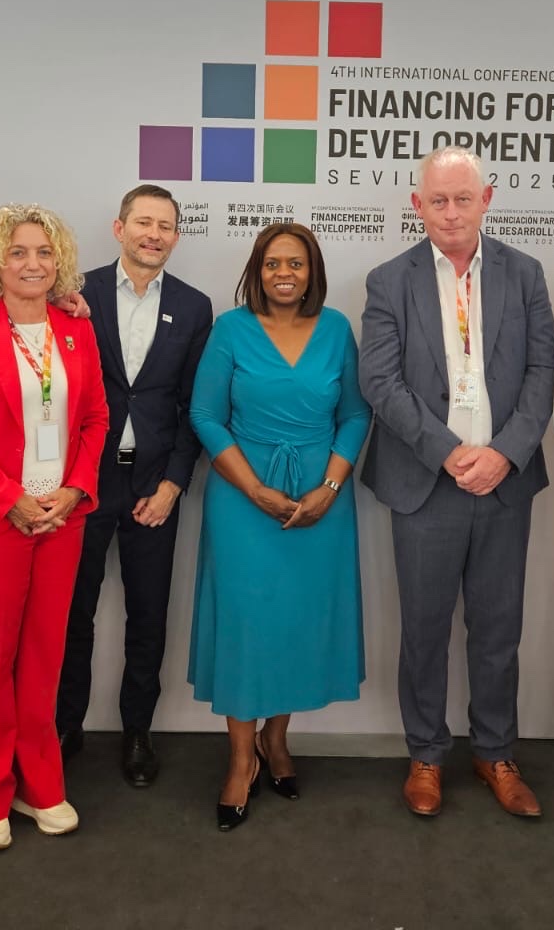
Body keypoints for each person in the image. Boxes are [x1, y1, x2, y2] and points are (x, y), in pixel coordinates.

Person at [358, 146, 554, 820]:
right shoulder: (389, 281)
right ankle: (426, 755)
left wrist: (504, 453)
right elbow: (379, 382)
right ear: (418, 205)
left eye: (462, 198)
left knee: (498, 628)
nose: (450, 212)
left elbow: (542, 372)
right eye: (437, 200)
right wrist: (448, 452)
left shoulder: (525, 274)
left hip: (503, 481)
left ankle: (496, 751)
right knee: (424, 628)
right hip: (426, 481)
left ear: (486, 199)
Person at [0, 204, 108, 851]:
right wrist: (8, 499)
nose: (32, 264)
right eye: (18, 253)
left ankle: (40, 786)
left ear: (57, 260)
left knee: (43, 660)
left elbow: (94, 420)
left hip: (62, 519)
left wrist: (74, 489)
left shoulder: (75, 332)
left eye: (43, 252)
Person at [187, 222, 371, 831]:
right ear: (256, 270)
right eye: (272, 264)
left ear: (312, 270)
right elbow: (207, 414)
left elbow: (354, 413)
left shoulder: (339, 329)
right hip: (243, 497)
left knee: (295, 623)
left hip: (321, 498)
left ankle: (277, 739)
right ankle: (240, 758)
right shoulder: (230, 329)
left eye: (295, 263)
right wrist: (256, 488)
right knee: (245, 625)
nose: (284, 274)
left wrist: (330, 487)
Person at [56, 185, 212, 787]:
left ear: (176, 235)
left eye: (165, 226)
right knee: (74, 613)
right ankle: (65, 728)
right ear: (118, 228)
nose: (154, 234)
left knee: (149, 615)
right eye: (143, 222)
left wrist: (175, 483)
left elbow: (194, 407)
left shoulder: (196, 308)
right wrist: (69, 481)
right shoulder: (74, 295)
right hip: (83, 485)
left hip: (154, 487)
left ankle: (138, 731)